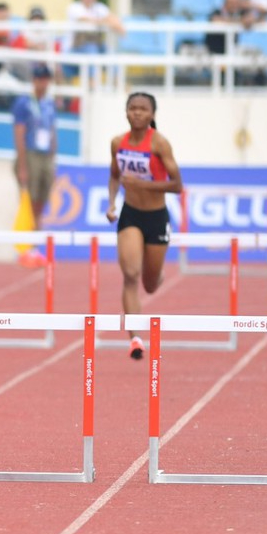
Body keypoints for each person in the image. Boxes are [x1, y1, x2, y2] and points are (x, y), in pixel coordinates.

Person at [107, 92, 185, 361]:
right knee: (130, 274)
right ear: (126, 112)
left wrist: (144, 185)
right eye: (133, 108)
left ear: (152, 114)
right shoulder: (118, 143)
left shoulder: (160, 144)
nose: (137, 113)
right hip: (130, 215)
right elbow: (114, 176)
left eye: (143, 109)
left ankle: (158, 274)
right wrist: (111, 204)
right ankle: (135, 338)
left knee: (149, 284)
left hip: (156, 217)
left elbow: (177, 185)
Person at [10, 67, 59, 224]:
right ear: (34, 80)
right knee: (30, 197)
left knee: (43, 196)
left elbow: (51, 131)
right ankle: (28, 238)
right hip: (30, 153)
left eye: (46, 79)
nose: (44, 83)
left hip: (45, 155)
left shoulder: (49, 104)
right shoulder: (24, 103)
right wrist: (22, 165)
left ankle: (36, 233)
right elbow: (19, 133)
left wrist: (52, 158)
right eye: (41, 79)